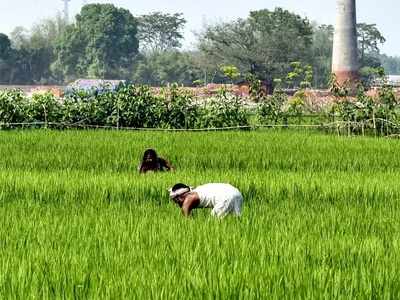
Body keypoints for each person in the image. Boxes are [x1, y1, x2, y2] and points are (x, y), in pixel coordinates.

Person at [168, 183, 243, 218]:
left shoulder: (189, 197)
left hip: (226, 197)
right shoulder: (196, 191)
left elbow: (186, 217)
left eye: (176, 201)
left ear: (181, 196)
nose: (177, 204)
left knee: (213, 224)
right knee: (234, 220)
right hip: (236, 193)